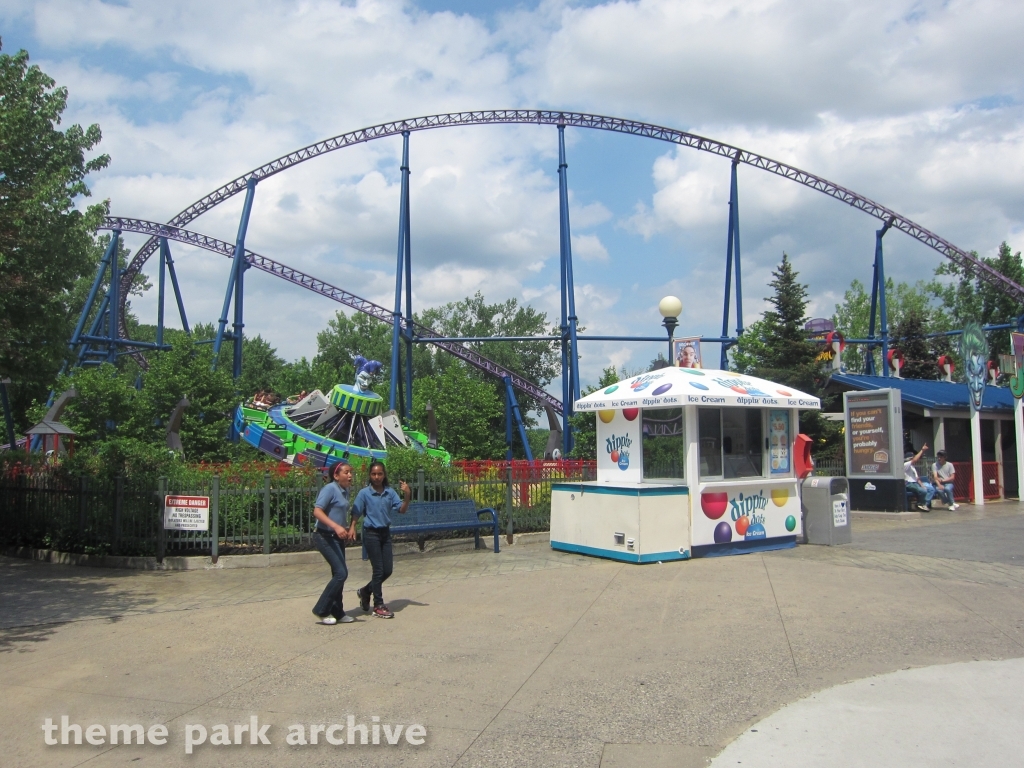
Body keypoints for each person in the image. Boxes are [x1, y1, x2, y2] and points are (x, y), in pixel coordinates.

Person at [353, 461, 411, 619]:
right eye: (373, 474)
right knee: (378, 570)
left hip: (385, 533)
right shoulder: (364, 493)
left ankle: (365, 591)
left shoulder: (390, 492)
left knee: (387, 570)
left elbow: (402, 510)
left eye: (379, 474)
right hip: (371, 533)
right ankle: (378, 604)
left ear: (384, 475)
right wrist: (352, 526)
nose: (377, 477)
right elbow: (356, 512)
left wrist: (407, 495)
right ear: (370, 476)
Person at [311, 461, 357, 625]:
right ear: (336, 475)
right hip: (324, 536)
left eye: (350, 472)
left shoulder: (345, 490)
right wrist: (336, 527)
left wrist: (349, 527)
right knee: (341, 573)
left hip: (337, 537)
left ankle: (337, 611)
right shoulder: (330, 488)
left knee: (338, 574)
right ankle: (321, 609)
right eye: (346, 472)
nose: (350, 475)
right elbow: (317, 511)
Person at [904, 444, 934, 511]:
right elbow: (915, 460)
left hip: (915, 483)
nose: (915, 459)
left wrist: (922, 485)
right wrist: (922, 450)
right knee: (922, 491)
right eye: (912, 457)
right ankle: (920, 504)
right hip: (908, 483)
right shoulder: (906, 465)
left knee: (929, 489)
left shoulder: (913, 468)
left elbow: (917, 478)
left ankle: (924, 504)